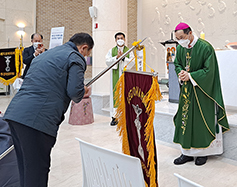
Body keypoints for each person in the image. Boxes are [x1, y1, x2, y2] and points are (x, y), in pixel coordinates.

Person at [3, 32, 93, 187]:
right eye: (87, 54)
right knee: (37, 172)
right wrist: (83, 90)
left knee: (25, 168)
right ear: (84, 48)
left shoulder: (47, 54)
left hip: (15, 114)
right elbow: (74, 92)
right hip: (36, 120)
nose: (85, 56)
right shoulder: (75, 56)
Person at [173, 22, 229, 166]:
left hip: (203, 91)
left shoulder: (205, 47)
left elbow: (210, 71)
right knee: (185, 120)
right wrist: (181, 73)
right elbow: (177, 63)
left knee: (201, 121)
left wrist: (191, 76)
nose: (180, 41)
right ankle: (186, 152)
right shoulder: (180, 48)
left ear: (190, 33)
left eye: (182, 37)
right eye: (177, 39)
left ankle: (203, 153)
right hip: (187, 92)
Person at [105, 32, 135, 126]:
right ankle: (115, 117)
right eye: (118, 38)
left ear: (124, 39)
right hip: (115, 75)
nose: (120, 40)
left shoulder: (129, 51)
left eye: (121, 38)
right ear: (115, 40)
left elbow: (132, 62)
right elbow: (107, 61)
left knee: (125, 95)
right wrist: (116, 58)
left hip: (125, 76)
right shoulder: (111, 51)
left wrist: (123, 58)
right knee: (115, 95)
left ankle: (125, 117)